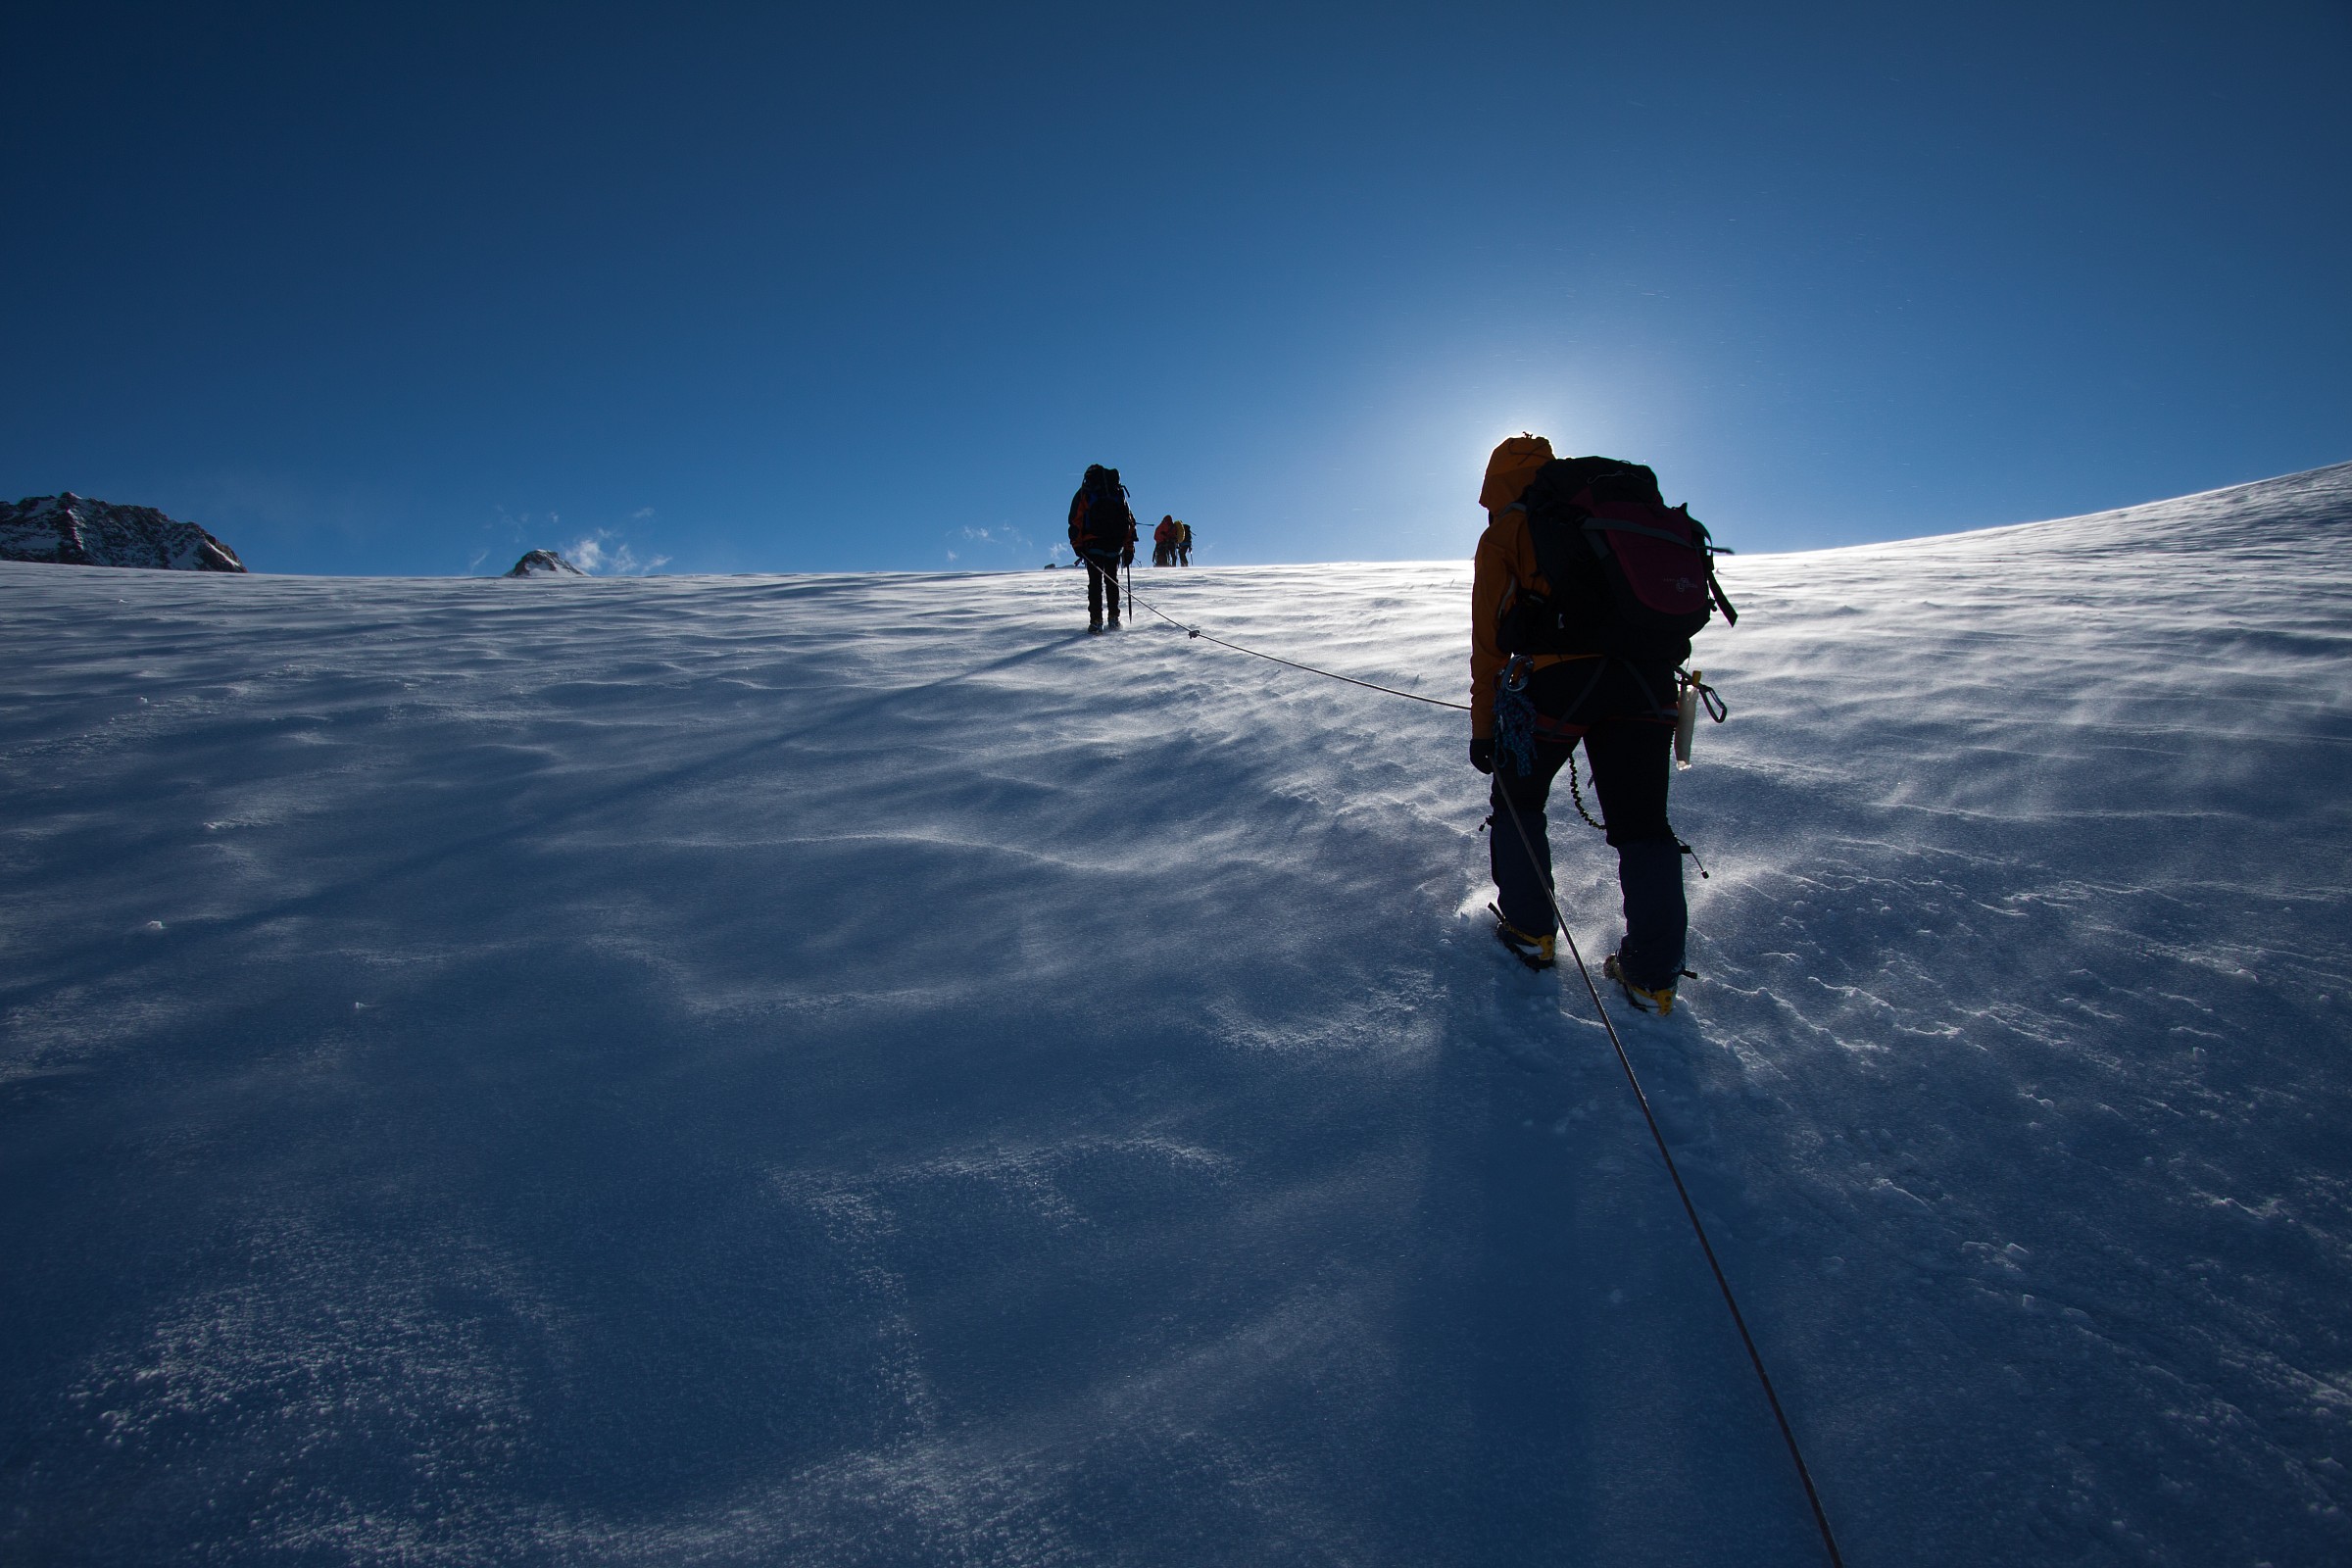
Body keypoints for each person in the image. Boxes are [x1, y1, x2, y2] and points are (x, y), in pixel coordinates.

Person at [1470, 433, 1722, 1013]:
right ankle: (1652, 976)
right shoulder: (1597, 518)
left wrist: (1484, 728)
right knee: (1643, 827)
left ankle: (1530, 931)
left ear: (1492, 482)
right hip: (1647, 685)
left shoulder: (1509, 531)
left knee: (1518, 800)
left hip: (1554, 687)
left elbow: (1489, 644)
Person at [1067, 465, 1138, 631]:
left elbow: (1075, 521)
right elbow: (1129, 522)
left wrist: (1078, 545)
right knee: (1112, 580)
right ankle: (1114, 618)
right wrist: (1128, 548)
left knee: (1095, 583)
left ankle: (1096, 621)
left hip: (1093, 544)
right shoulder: (1116, 493)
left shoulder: (1085, 493)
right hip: (1114, 544)